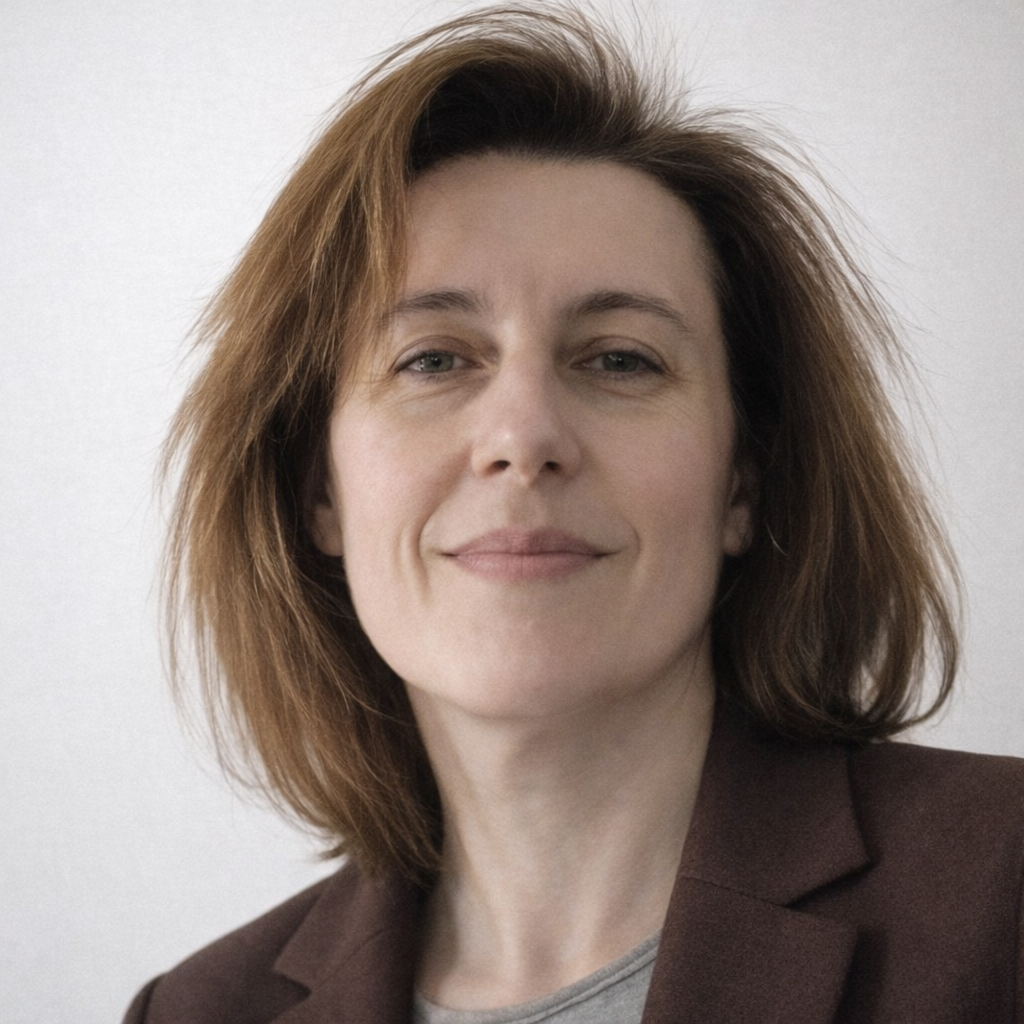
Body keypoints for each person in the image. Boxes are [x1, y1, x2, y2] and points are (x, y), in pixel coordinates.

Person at [124, 6, 1024, 1023]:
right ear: (317, 489)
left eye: (618, 359)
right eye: (432, 359)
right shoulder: (198, 1010)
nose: (523, 433)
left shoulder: (1003, 897)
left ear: (743, 482)